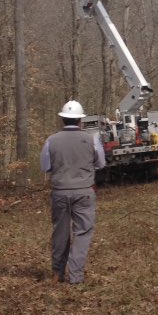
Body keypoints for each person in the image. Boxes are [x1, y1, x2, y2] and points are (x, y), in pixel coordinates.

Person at [40, 100, 105, 285]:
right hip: (84, 192)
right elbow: (100, 163)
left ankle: (57, 273)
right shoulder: (92, 139)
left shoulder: (50, 140)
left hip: (59, 192)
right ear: (80, 121)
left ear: (62, 119)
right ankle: (76, 276)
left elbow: (45, 167)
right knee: (82, 233)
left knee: (60, 232)